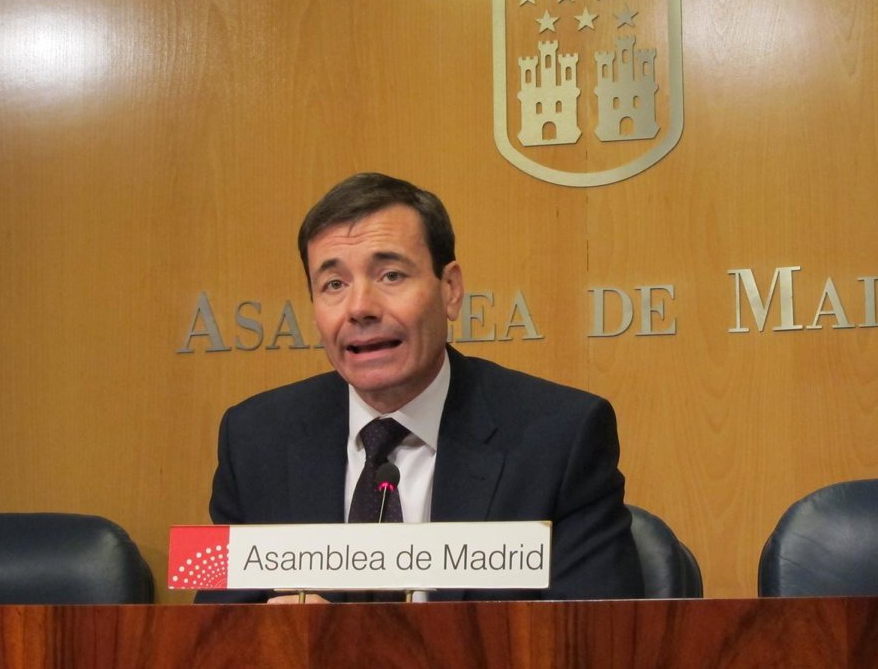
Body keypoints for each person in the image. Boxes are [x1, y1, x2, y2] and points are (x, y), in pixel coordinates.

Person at [196, 172, 643, 602]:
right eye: (334, 284)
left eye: (391, 275)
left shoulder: (560, 439)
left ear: (450, 289)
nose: (360, 308)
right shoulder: (255, 440)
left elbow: (593, 637)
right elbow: (214, 632)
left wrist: (344, 641)